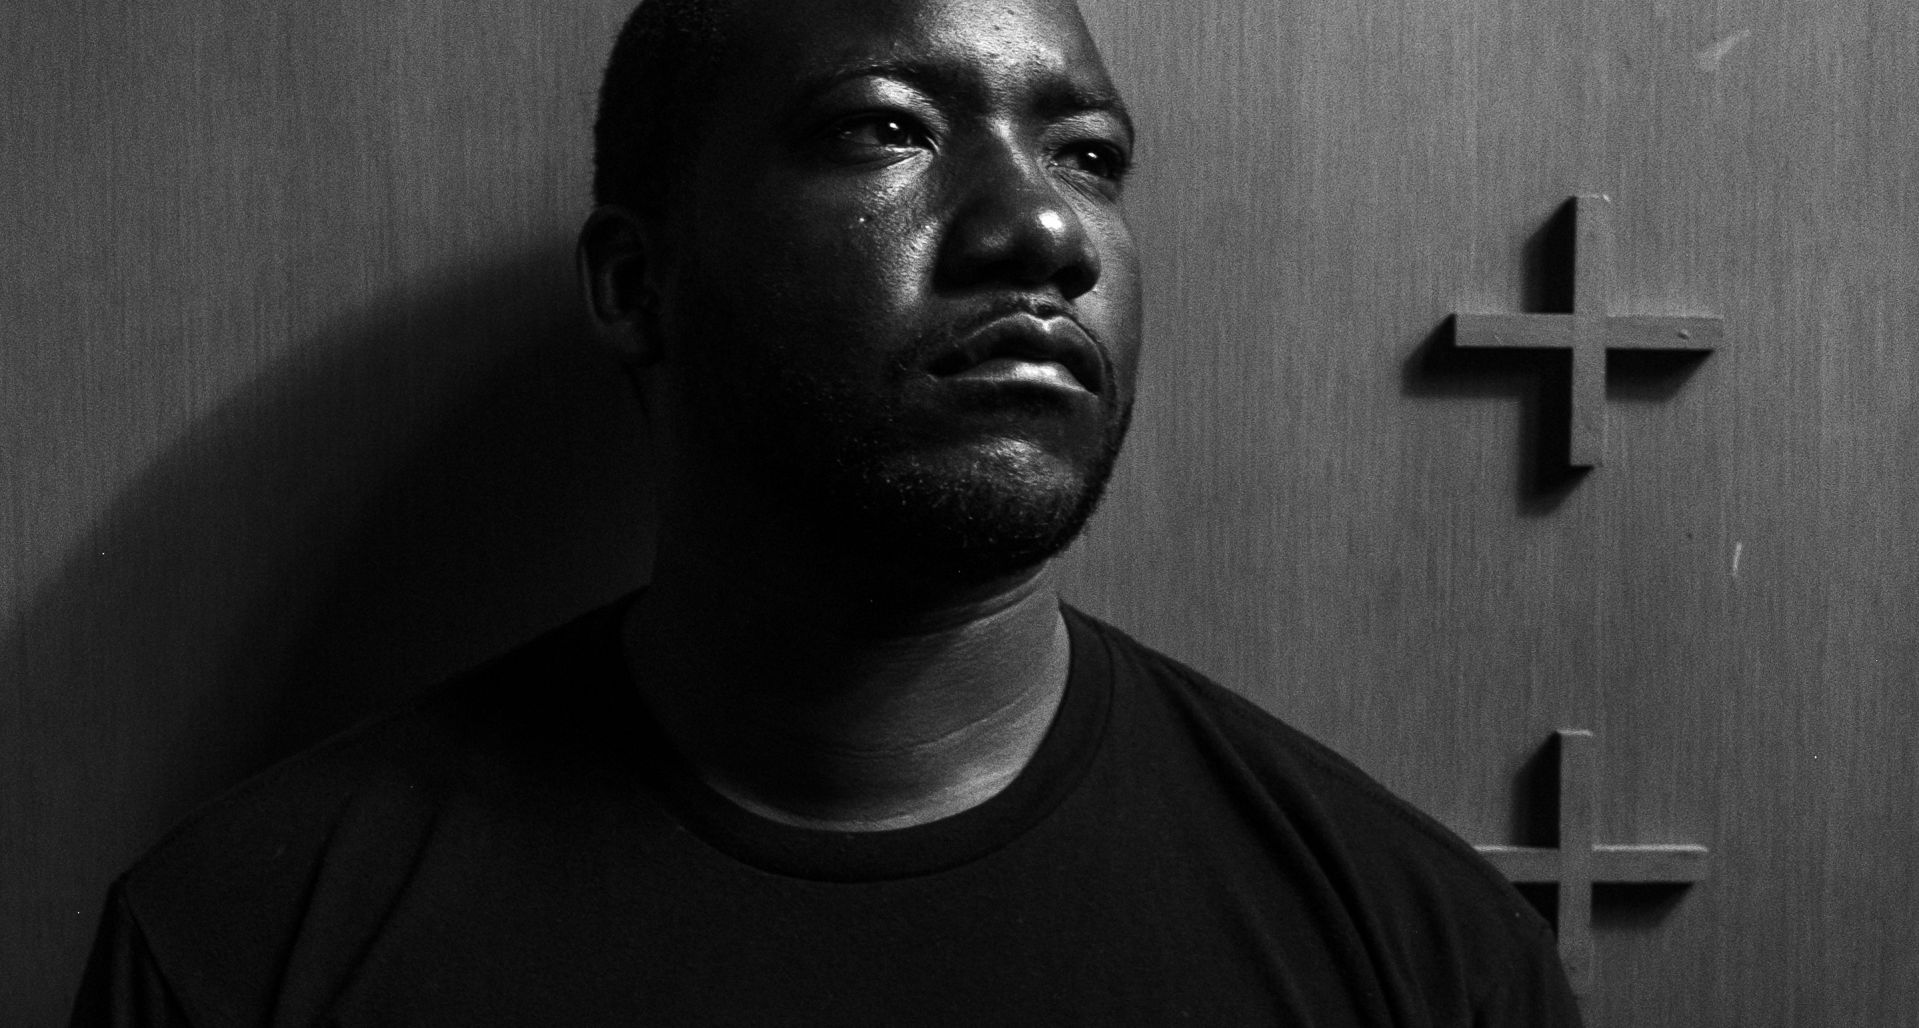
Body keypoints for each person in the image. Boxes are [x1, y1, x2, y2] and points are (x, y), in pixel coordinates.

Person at [72, 0, 1583, 1022]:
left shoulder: (1417, 957)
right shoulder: (246, 953)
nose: (1045, 226)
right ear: (635, 286)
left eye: (1090, 156)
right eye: (885, 128)